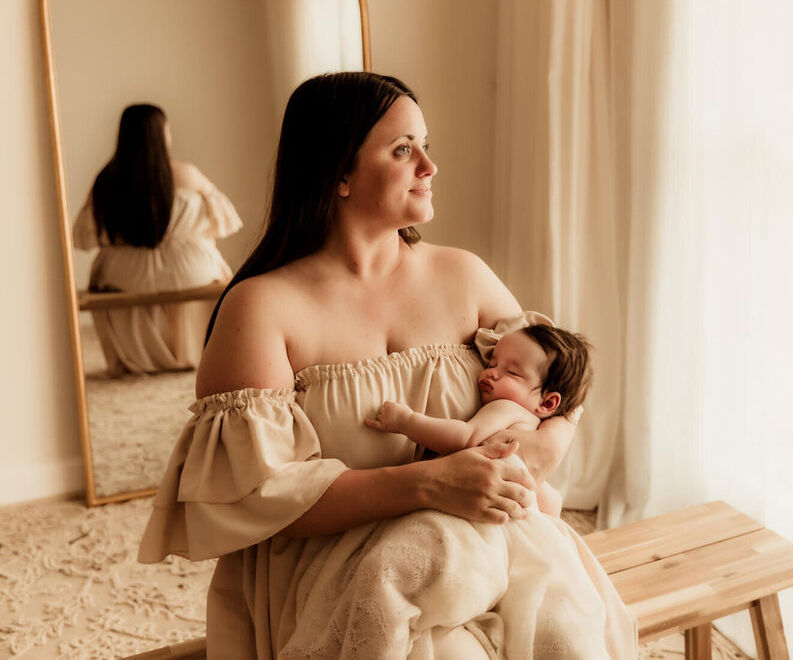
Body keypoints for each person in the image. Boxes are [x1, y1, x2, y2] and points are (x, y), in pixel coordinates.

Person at [138, 72, 636, 659]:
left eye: (426, 145)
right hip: (336, 563)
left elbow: (560, 388)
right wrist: (430, 483)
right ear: (338, 173)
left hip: (487, 535)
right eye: (403, 150)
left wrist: (529, 459)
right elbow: (259, 496)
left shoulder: (464, 276)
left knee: (564, 628)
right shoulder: (261, 308)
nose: (429, 165)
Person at [72, 103, 242, 376]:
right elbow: (223, 219)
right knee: (215, 268)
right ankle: (194, 351)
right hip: (188, 269)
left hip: (123, 273)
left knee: (106, 279)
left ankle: (143, 357)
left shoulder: (105, 180)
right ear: (160, 134)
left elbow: (85, 236)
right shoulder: (185, 174)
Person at [366, 322, 593, 518]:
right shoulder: (532, 428)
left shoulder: (507, 408)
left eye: (512, 372)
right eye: (492, 364)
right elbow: (550, 504)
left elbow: (466, 437)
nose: (492, 373)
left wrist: (407, 421)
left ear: (547, 403)